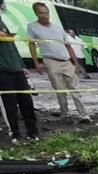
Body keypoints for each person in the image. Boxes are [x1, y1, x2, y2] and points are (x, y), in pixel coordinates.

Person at [27, 2, 89, 121]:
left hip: (66, 60)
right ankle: (65, 113)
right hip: (51, 61)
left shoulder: (58, 28)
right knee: (60, 90)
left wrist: (75, 63)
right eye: (41, 13)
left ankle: (84, 114)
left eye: (46, 13)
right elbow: (32, 45)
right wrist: (36, 63)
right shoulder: (32, 27)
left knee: (75, 88)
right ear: (36, 13)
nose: (45, 15)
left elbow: (68, 46)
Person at [0, 0, 38, 141]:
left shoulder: (3, 21)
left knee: (26, 101)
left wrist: (22, 65)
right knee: (9, 103)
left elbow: (12, 46)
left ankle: (32, 133)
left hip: (16, 68)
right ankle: (15, 134)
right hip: (3, 69)